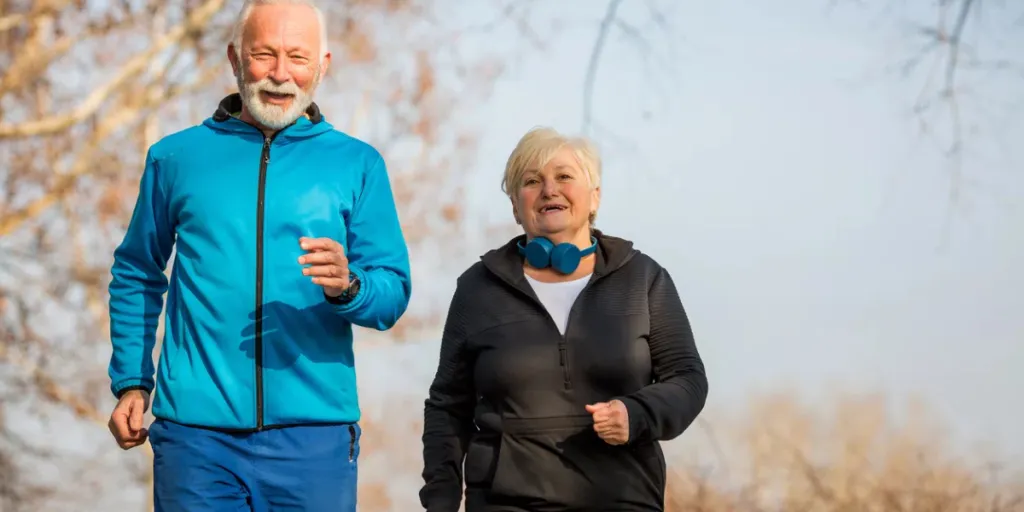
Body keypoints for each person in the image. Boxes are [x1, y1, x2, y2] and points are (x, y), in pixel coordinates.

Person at [104, 0, 411, 510]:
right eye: (264, 54)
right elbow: (137, 271)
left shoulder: (358, 163)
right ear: (234, 58)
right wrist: (132, 381)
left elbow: (393, 292)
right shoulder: (175, 158)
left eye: (297, 57)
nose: (280, 73)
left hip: (314, 438)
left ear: (324, 65)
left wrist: (348, 286)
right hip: (195, 439)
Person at [419, 127, 708, 511]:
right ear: (515, 208)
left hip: (623, 498)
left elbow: (688, 379)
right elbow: (447, 406)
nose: (549, 190)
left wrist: (636, 414)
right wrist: (440, 500)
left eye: (564, 176)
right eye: (532, 181)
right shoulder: (478, 289)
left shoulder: (643, 279)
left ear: (595, 198)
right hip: (504, 502)